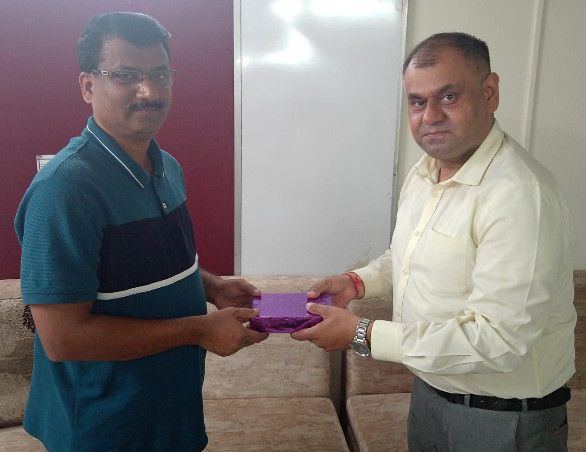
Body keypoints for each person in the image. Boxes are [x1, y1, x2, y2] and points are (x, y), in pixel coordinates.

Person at [292, 32, 576, 451]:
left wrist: (363, 334)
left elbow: (499, 341)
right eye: (417, 102)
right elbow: (407, 258)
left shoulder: (518, 195)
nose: (430, 116)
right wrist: (356, 282)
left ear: (490, 92)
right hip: (430, 396)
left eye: (448, 96)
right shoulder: (425, 172)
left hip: (503, 419)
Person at [14, 11, 268, 452]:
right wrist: (198, 330)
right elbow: (62, 338)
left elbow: (151, 265)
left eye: (160, 75)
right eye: (126, 75)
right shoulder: (65, 190)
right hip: (103, 427)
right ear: (88, 86)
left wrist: (212, 287)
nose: (149, 91)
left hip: (170, 411)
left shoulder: (167, 166)